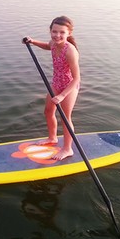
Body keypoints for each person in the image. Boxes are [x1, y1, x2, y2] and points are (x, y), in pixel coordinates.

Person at [24, 16, 81, 161]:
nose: (57, 35)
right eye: (54, 32)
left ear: (69, 33)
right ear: (50, 31)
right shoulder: (54, 43)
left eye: (62, 32)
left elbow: (77, 79)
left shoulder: (70, 51)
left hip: (69, 86)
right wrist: (33, 41)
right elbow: (47, 46)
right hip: (56, 82)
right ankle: (52, 138)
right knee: (48, 111)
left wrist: (62, 96)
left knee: (65, 118)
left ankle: (67, 149)